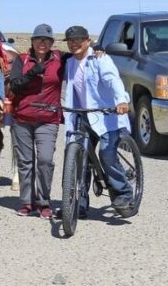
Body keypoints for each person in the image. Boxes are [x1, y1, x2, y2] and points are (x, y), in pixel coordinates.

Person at [61, 25, 134, 216]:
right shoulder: (69, 62)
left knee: (107, 154)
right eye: (70, 41)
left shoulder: (100, 58)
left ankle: (124, 194)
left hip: (106, 115)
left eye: (78, 40)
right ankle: (78, 203)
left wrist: (121, 100)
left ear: (87, 41)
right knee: (78, 157)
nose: (74, 44)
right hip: (82, 115)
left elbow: (112, 80)